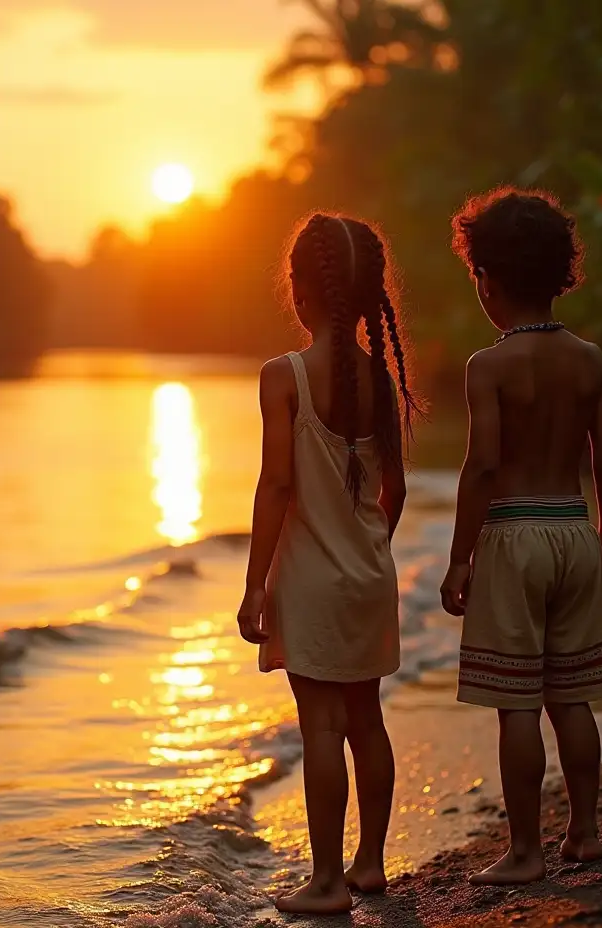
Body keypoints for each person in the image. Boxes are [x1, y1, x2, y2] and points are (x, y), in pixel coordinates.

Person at [440, 187, 602, 886]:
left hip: (514, 536)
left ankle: (524, 851)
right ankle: (584, 831)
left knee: (517, 702)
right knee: (570, 694)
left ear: (486, 281)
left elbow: (483, 465)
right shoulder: (589, 360)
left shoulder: (487, 367)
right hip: (575, 532)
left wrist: (460, 558)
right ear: (559, 274)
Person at [236, 212, 420, 915]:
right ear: (369, 295)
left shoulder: (283, 377)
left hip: (310, 581)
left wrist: (256, 583)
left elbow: (277, 486)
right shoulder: (381, 381)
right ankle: (369, 864)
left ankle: (325, 882)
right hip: (370, 576)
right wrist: (369, 545)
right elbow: (392, 490)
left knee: (321, 729)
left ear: (301, 291)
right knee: (366, 720)